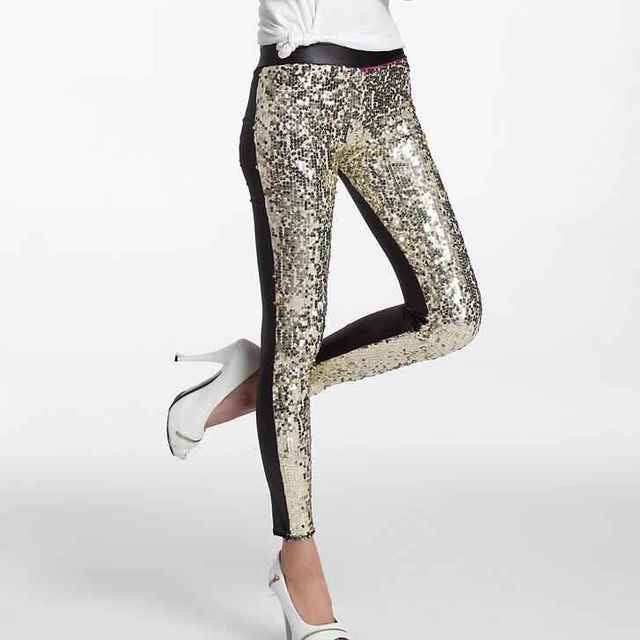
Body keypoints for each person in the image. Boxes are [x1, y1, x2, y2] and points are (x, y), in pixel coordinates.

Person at [166, 1, 482, 637]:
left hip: (387, 92)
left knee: (453, 314)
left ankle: (259, 384)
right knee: (298, 329)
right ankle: (298, 558)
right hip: (297, 95)